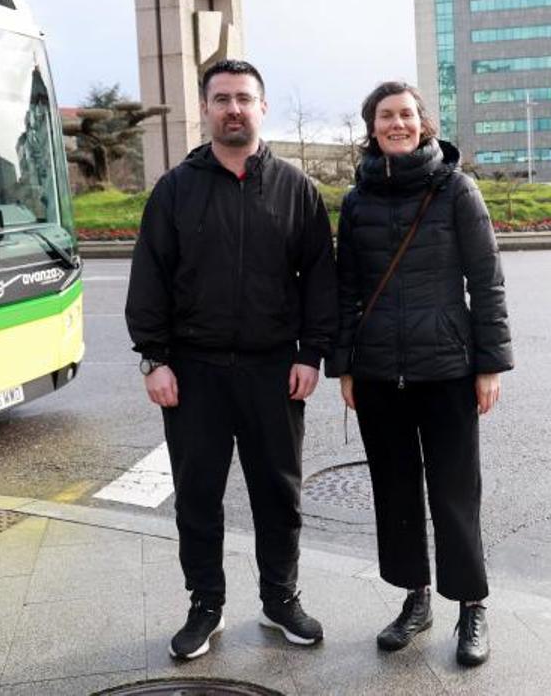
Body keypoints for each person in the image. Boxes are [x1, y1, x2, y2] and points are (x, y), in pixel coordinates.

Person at [125, 59, 337, 661]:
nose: (234, 108)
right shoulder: (175, 189)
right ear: (207, 109)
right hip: (194, 373)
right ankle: (205, 606)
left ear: (262, 107)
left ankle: (280, 600)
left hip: (275, 371)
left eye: (244, 97)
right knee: (197, 495)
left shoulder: (295, 188)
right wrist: (155, 359)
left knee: (279, 493)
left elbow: (320, 278)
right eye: (222, 99)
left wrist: (311, 354)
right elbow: (150, 280)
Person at [326, 81, 512, 666]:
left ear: (424, 123)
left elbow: (487, 281)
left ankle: (472, 605)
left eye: (407, 114)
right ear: (372, 127)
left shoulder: (456, 189)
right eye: (386, 116)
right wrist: (346, 367)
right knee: (397, 494)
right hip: (380, 372)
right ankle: (416, 599)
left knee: (456, 495)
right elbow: (347, 289)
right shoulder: (357, 200)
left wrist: (489, 364)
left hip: (447, 370)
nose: (398, 124)